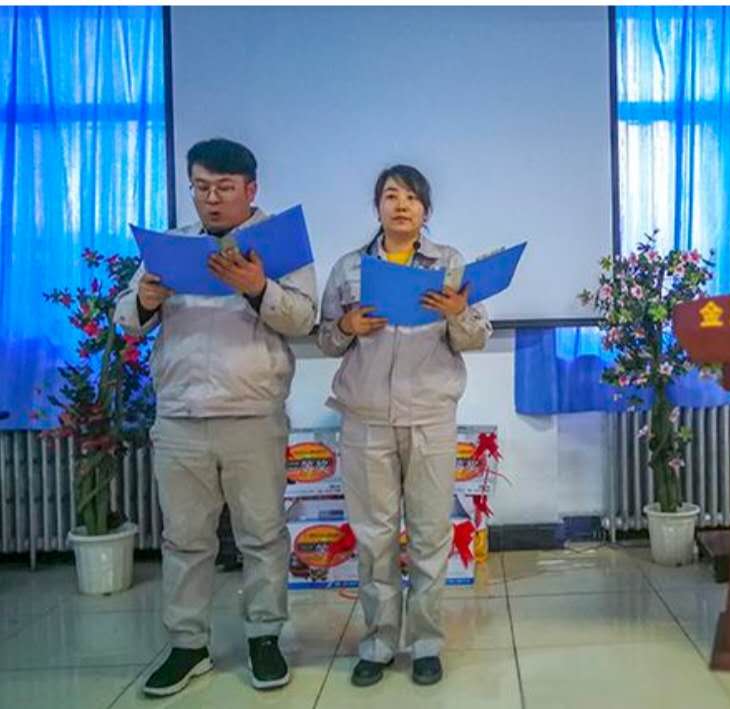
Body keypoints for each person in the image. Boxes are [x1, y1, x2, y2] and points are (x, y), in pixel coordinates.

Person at [114, 138, 318, 696]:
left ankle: (265, 637)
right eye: (201, 187)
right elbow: (126, 319)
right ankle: (188, 645)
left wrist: (259, 289)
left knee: (263, 535)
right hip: (180, 414)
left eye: (224, 188)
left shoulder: (279, 246)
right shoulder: (170, 248)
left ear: (250, 189)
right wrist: (146, 300)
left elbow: (304, 319)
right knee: (185, 539)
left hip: (252, 412)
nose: (211, 198)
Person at [318, 164, 492, 687]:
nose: (401, 205)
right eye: (391, 196)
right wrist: (347, 325)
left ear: (426, 211)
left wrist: (458, 312)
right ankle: (377, 642)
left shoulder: (449, 264)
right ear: (377, 207)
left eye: (412, 198)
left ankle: (426, 645)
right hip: (366, 417)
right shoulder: (350, 267)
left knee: (429, 534)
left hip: (429, 416)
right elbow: (326, 339)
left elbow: (476, 336)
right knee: (374, 537)